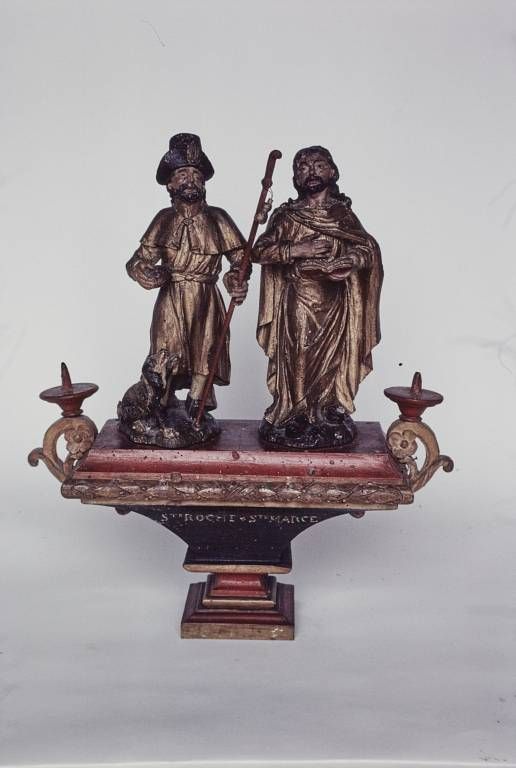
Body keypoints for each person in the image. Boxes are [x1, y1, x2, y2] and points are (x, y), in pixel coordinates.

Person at [122, 133, 248, 447]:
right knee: (165, 351)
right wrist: (142, 272)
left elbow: (241, 259)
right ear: (170, 184)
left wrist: (236, 280)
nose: (190, 180)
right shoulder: (163, 220)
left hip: (206, 298)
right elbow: (138, 259)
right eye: (182, 174)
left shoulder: (218, 218)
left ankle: (196, 407)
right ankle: (159, 406)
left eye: (195, 174)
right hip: (171, 296)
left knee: (206, 350)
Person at [253, 145, 383, 449]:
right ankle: (295, 410)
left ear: (332, 172)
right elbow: (258, 251)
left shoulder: (343, 216)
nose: (311, 171)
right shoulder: (287, 216)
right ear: (295, 178)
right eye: (303, 167)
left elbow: (367, 248)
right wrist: (298, 249)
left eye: (318, 165)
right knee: (299, 352)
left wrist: (351, 260)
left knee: (334, 357)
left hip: (336, 300)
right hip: (299, 297)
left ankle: (325, 408)